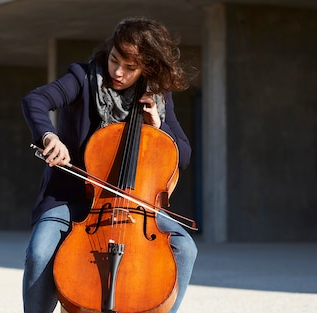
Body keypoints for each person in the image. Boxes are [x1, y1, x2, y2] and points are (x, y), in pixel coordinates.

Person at [21, 17, 198, 313]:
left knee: (185, 247)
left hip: (135, 208)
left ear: (147, 67)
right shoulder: (83, 77)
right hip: (72, 198)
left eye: (130, 68)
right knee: (39, 252)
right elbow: (36, 99)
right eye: (115, 60)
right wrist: (49, 135)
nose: (117, 72)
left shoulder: (156, 97)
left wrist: (159, 126)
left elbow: (184, 154)